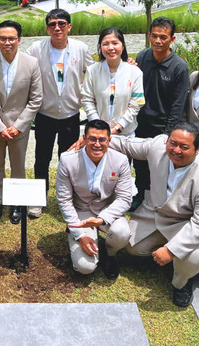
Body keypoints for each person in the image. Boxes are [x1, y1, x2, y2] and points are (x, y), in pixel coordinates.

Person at [0, 9, 93, 219]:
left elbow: (95, 71)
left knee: (69, 160)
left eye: (62, 23)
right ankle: (37, 200)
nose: (57, 28)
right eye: (52, 24)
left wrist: (125, 62)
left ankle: (67, 200)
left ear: (69, 27)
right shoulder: (37, 48)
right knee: (41, 159)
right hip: (44, 114)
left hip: (71, 114)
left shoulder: (80, 49)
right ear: (47, 28)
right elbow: (14, 56)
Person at [108, 121, 199, 307]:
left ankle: (182, 282)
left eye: (184, 147)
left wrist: (171, 250)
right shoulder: (158, 146)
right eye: (173, 143)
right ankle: (166, 257)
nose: (176, 150)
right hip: (156, 212)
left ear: (197, 149)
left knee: (193, 259)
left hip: (189, 224)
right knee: (133, 248)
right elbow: (127, 145)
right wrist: (97, 140)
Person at [0, 20, 42, 224]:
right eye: (3, 38)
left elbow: (36, 99)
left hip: (19, 129)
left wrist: (18, 125)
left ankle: (16, 202)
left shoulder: (31, 63)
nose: (7, 42)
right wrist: (0, 126)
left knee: (18, 167)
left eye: (11, 38)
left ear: (19, 40)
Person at [57, 120, 132, 279]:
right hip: (81, 212)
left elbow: (124, 198)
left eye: (102, 140)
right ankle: (77, 236)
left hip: (107, 209)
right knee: (85, 267)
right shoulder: (67, 160)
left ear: (109, 140)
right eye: (92, 139)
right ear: (84, 138)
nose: (97, 144)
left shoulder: (121, 160)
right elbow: (64, 200)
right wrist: (80, 234)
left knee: (122, 233)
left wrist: (102, 219)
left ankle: (109, 254)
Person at [131, 17, 190, 211]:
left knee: (160, 167)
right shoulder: (142, 57)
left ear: (172, 39)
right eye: (154, 36)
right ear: (149, 36)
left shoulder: (179, 67)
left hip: (162, 127)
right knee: (140, 164)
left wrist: (168, 134)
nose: (158, 41)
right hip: (140, 123)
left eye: (163, 37)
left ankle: (160, 201)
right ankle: (140, 195)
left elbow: (178, 105)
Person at [81, 27, 145, 136]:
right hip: (98, 134)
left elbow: (136, 103)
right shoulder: (92, 70)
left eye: (115, 43)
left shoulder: (134, 72)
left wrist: (119, 127)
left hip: (125, 134)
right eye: (105, 44)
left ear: (123, 46)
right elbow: (87, 99)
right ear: (100, 47)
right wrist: (98, 125)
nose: (110, 48)